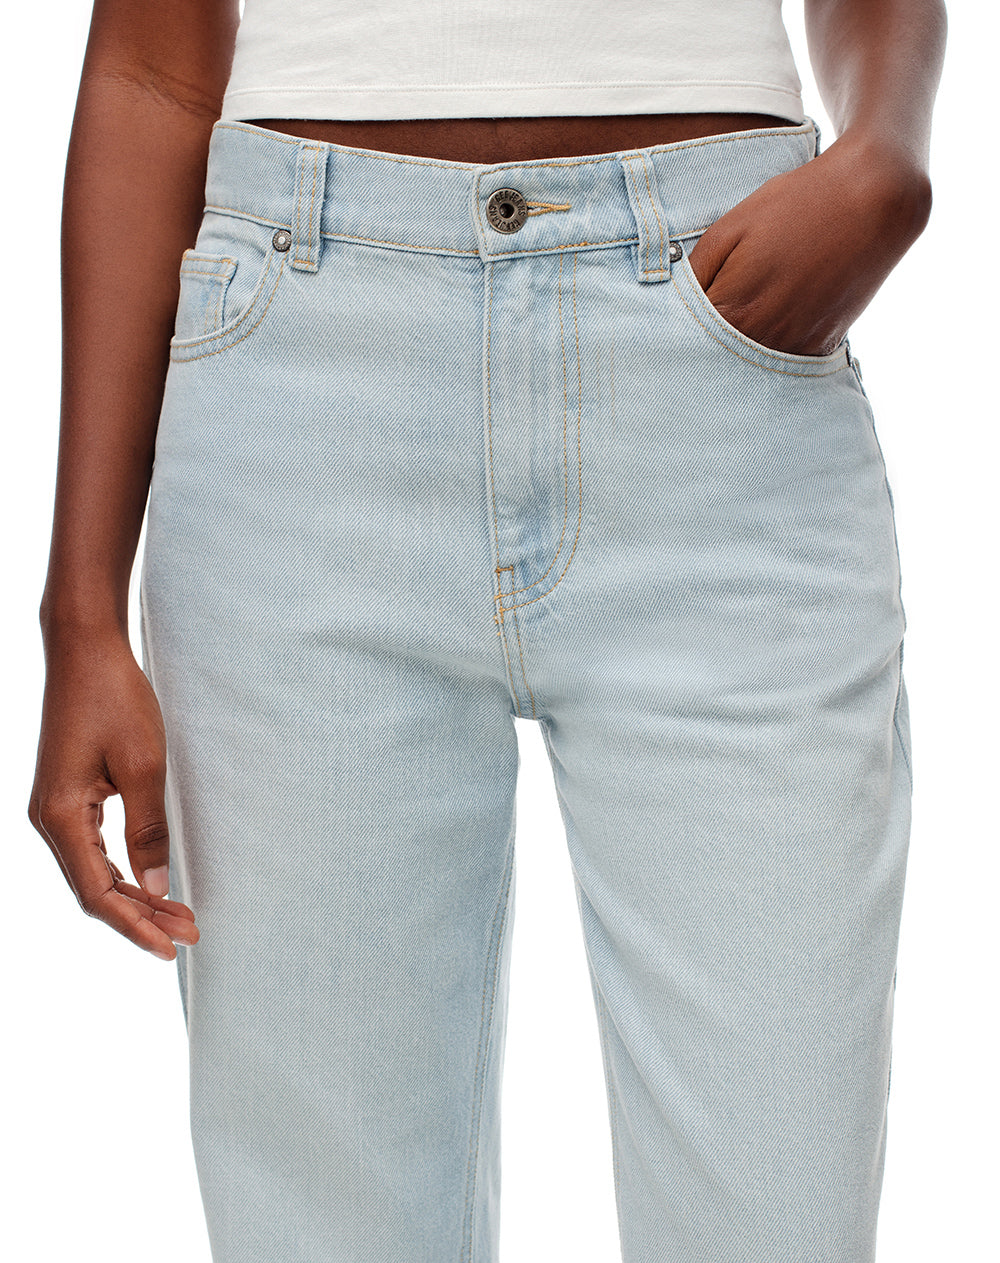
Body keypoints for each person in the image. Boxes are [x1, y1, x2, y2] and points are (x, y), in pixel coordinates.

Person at [28, 0, 946, 1259]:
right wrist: (80, 612)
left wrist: (887, 151)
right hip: (300, 401)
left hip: (720, 345)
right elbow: (152, 70)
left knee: (775, 1206)